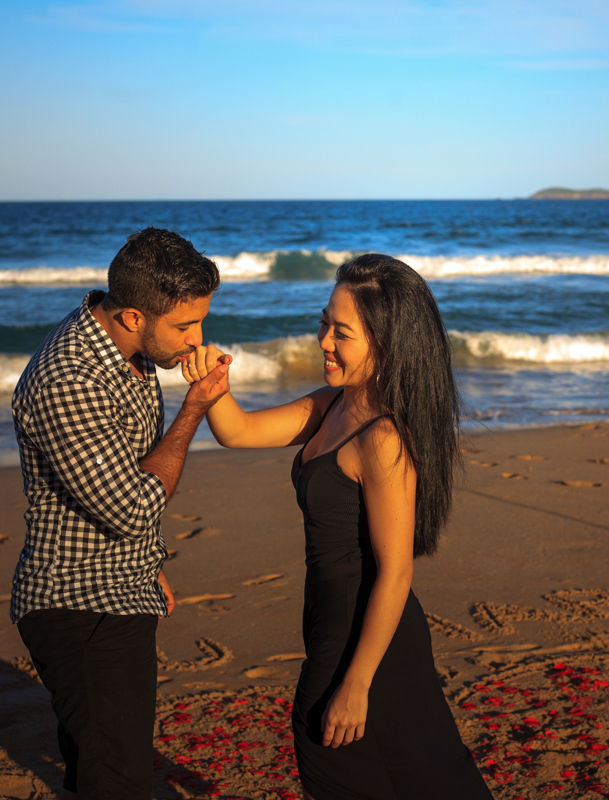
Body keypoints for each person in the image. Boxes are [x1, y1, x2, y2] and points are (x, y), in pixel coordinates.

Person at [182, 254, 493, 799]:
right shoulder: (334, 406)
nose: (323, 341)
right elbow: (239, 431)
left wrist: (357, 681)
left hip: (372, 640)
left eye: (341, 332)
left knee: (368, 767)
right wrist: (214, 386)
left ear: (387, 342)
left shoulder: (383, 438)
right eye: (324, 322)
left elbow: (395, 573)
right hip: (331, 623)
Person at [9, 227, 232, 800]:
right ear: (133, 316)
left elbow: (118, 475)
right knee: (120, 779)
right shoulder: (70, 378)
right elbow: (132, 506)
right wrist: (194, 412)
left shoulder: (127, 349)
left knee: (102, 768)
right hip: (77, 603)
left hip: (118, 587)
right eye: (185, 326)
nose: (195, 340)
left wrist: (146, 565)